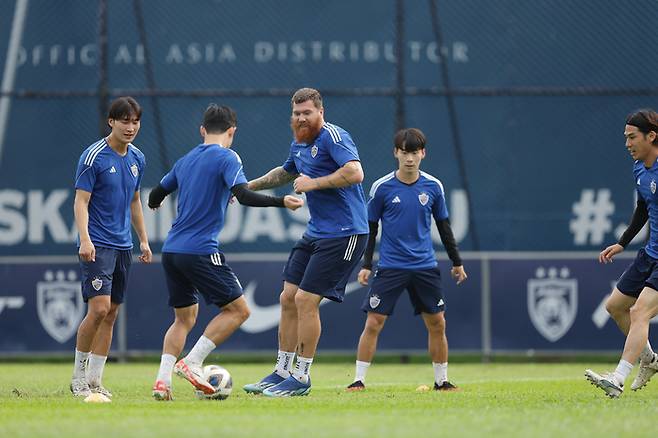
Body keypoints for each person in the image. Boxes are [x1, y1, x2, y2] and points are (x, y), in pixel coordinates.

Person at [148, 104, 304, 401]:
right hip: (200, 250)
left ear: (202, 130)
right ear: (231, 131)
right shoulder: (228, 156)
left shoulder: (185, 160)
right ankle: (192, 362)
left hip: (171, 251)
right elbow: (242, 195)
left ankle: (162, 382)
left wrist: (155, 203)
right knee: (238, 310)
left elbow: (157, 193)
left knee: (183, 319)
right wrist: (281, 202)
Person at [242, 87, 369, 397]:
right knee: (287, 297)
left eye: (307, 113)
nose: (301, 118)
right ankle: (282, 371)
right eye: (296, 113)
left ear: (320, 113)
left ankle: (301, 378)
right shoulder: (299, 144)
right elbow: (285, 173)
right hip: (317, 231)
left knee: (304, 301)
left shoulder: (333, 136)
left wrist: (314, 183)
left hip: (346, 232)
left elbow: (355, 172)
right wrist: (248, 186)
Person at [344, 128, 466, 392]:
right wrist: (366, 265)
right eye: (404, 152)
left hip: (425, 266)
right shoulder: (382, 187)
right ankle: (358, 380)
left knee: (437, 322)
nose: (409, 158)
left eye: (414, 152)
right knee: (374, 322)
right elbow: (371, 228)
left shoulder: (433, 186)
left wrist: (457, 262)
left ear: (422, 153)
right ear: (395, 153)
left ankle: (441, 380)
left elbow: (444, 227)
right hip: (391, 266)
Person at [71, 96, 152, 398]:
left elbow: (134, 200)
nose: (130, 127)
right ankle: (78, 377)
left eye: (135, 121)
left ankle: (95, 381)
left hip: (123, 245)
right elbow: (81, 201)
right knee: (99, 309)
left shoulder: (138, 159)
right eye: (124, 121)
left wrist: (142, 239)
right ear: (111, 122)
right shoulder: (94, 157)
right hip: (98, 244)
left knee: (112, 312)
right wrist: (85, 239)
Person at [585, 109, 658, 398]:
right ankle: (650, 360)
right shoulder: (640, 169)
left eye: (632, 137)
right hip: (650, 253)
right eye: (625, 138)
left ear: (652, 136)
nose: (627, 144)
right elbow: (643, 208)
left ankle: (617, 378)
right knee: (616, 307)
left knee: (640, 311)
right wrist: (623, 242)